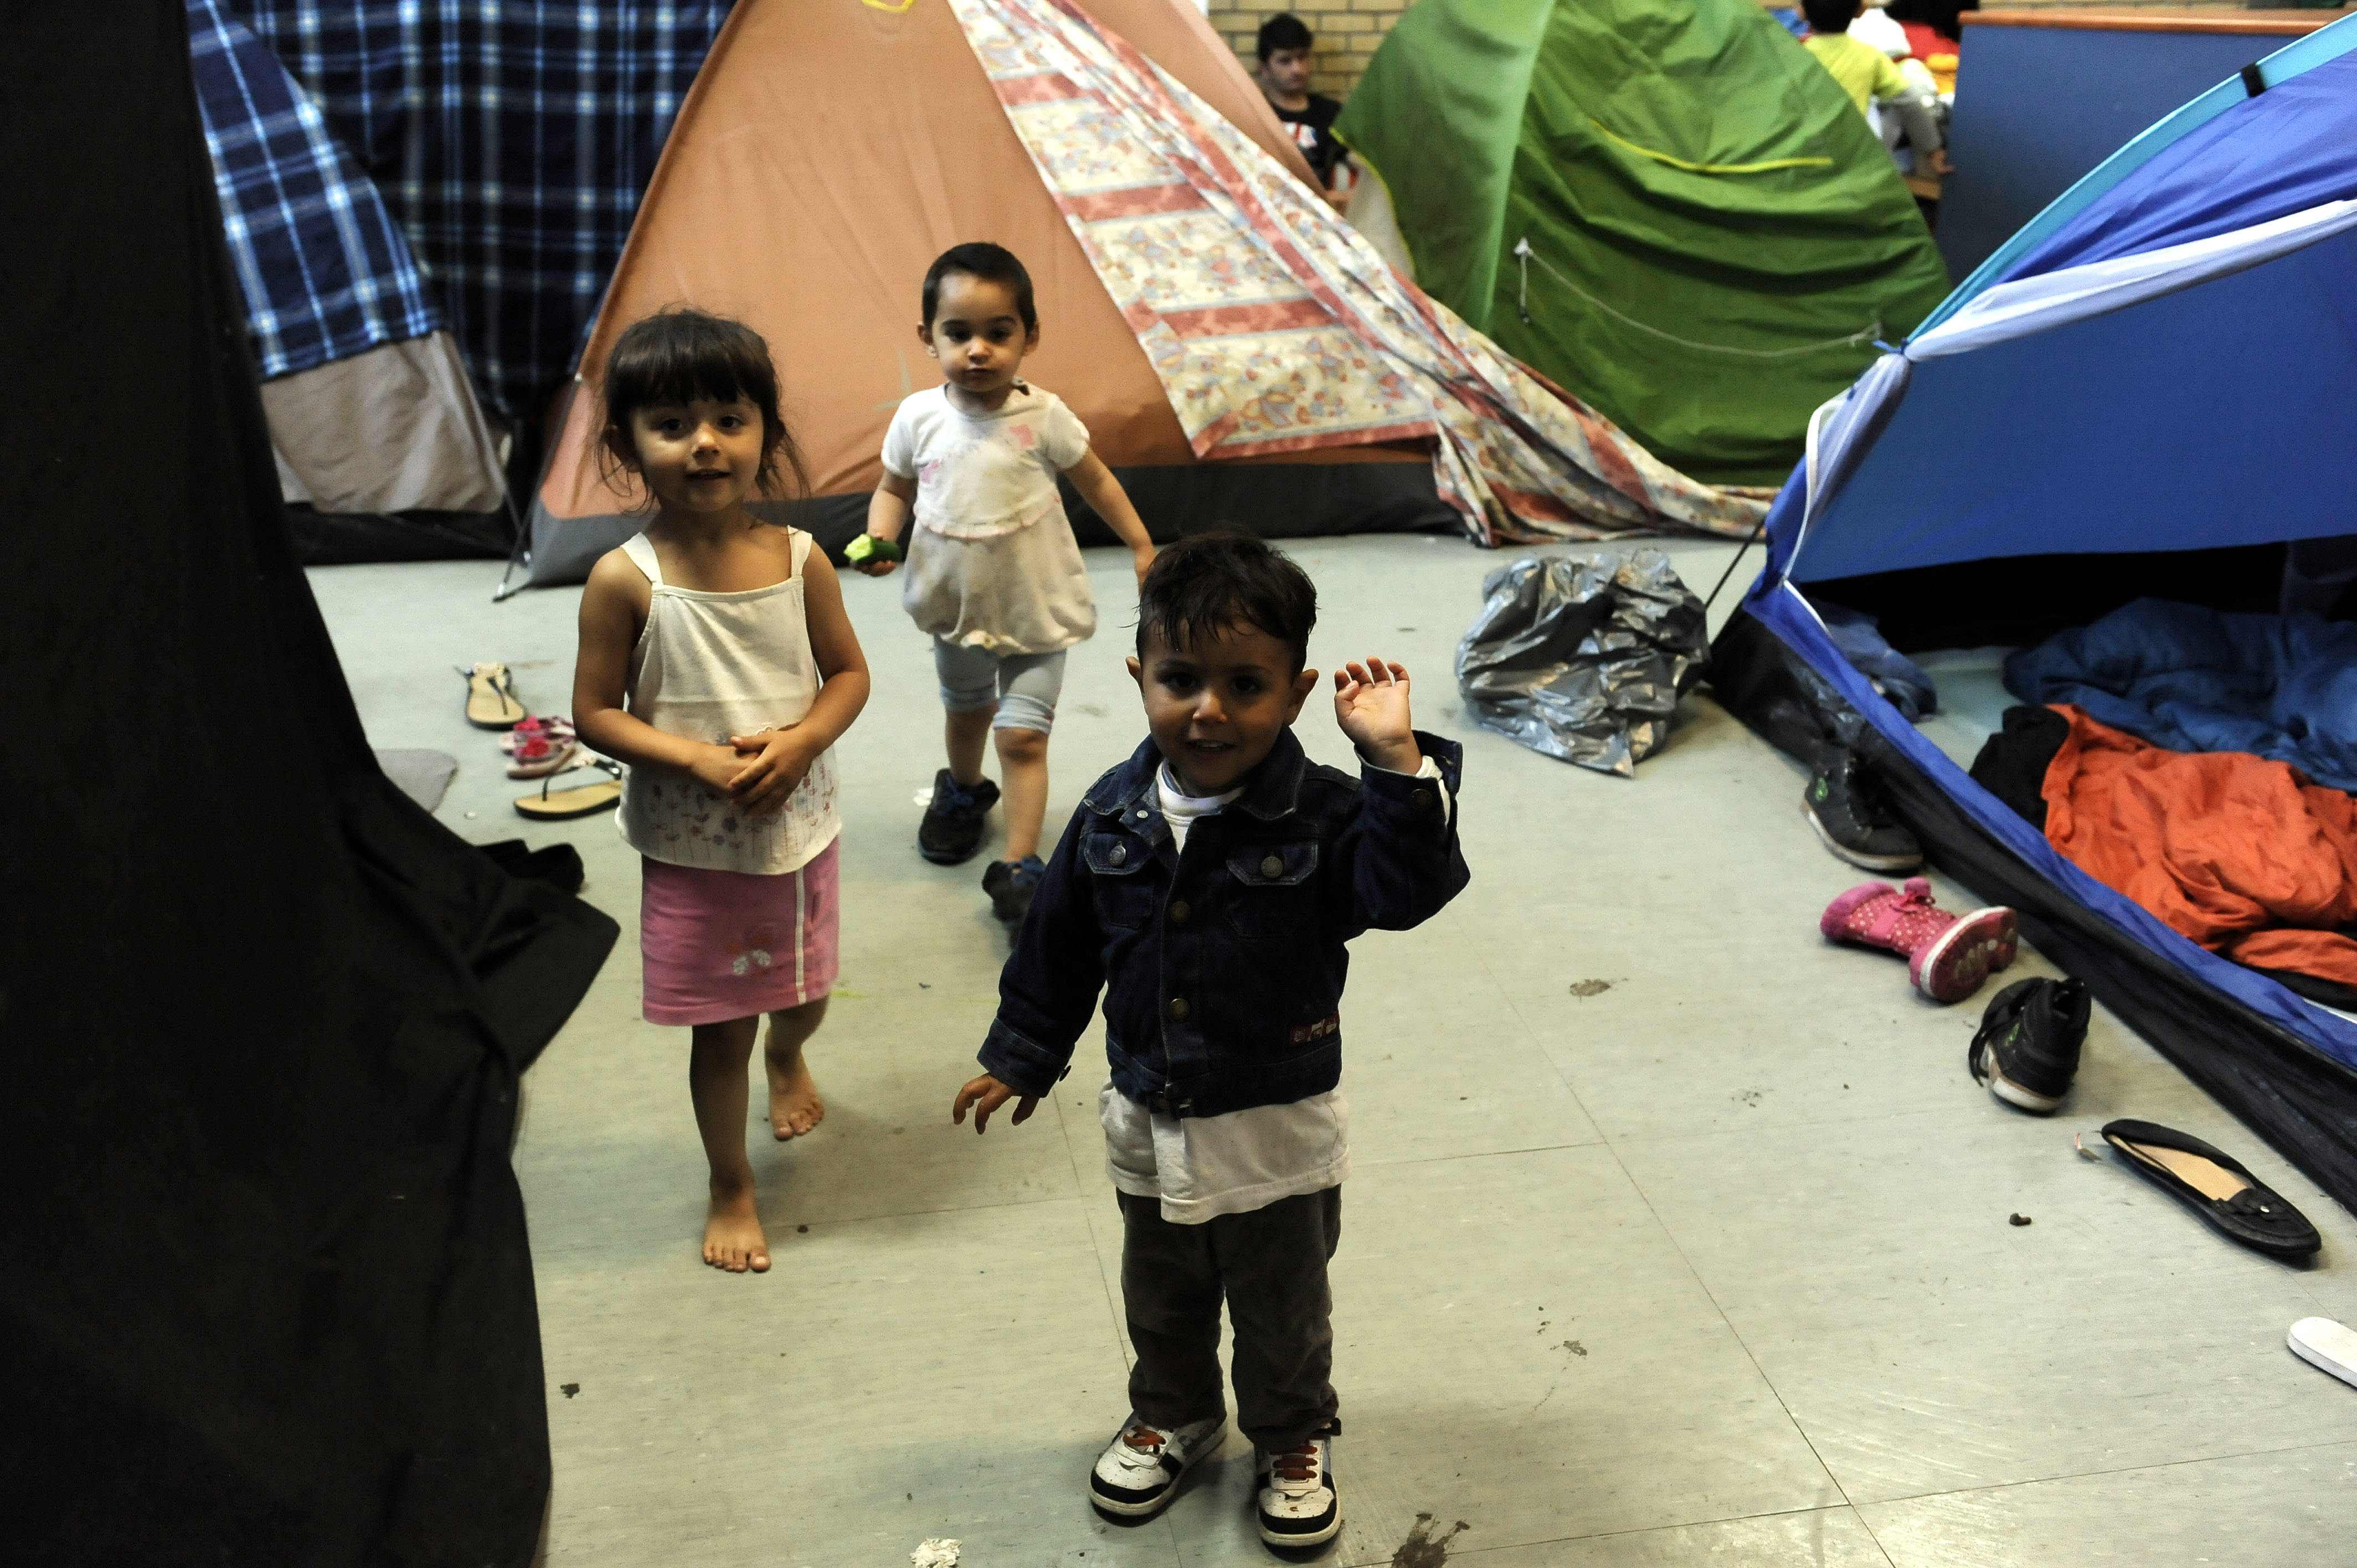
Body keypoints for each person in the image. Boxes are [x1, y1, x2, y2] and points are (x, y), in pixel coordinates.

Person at [948, 533, 1470, 1549]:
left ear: (1298, 691)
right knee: (1163, 1294)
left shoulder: (1325, 815)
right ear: (1139, 675)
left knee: (1283, 1307)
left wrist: (1395, 763)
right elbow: (1060, 946)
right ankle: (1177, 1413)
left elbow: (1405, 894)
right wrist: (1019, 1054)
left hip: (1276, 1126)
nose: (1210, 710)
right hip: (1151, 1112)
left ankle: (1290, 1433)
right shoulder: (1111, 812)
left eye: (1246, 685)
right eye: (1181, 680)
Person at [573, 308, 872, 1275]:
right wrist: (694, 760)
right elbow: (594, 713)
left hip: (799, 832)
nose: (704, 442)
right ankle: (730, 1183)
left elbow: (848, 675)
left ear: (765, 435)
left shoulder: (800, 560)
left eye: (729, 420)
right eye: (672, 424)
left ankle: (791, 1053)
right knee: (720, 1026)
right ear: (628, 446)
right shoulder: (624, 580)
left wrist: (804, 739)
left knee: (805, 992)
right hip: (694, 851)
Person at [850, 242, 1155, 928]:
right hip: (955, 605)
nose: (978, 350)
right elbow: (892, 488)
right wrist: (881, 536)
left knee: (1022, 738)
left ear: (1029, 336)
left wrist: (1140, 544)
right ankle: (963, 792)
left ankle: (1021, 865)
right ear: (928, 336)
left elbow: (1096, 480)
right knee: (966, 714)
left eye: (998, 332)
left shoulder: (1044, 416)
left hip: (1035, 607)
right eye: (958, 333)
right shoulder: (918, 417)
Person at [1803, 0, 1951, 177]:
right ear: (1861, 10)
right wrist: (1933, 151)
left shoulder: (1795, 55)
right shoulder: (1870, 56)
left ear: (1801, 11)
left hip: (1804, 156)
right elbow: (1909, 101)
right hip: (1854, 157)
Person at [1254, 14, 1352, 212]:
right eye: (1285, 61)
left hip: (1319, 215)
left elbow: (1366, 166)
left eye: (1302, 57)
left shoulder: (1330, 113)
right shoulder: (1253, 114)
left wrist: (1347, 197)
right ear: (1264, 69)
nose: (1297, 69)